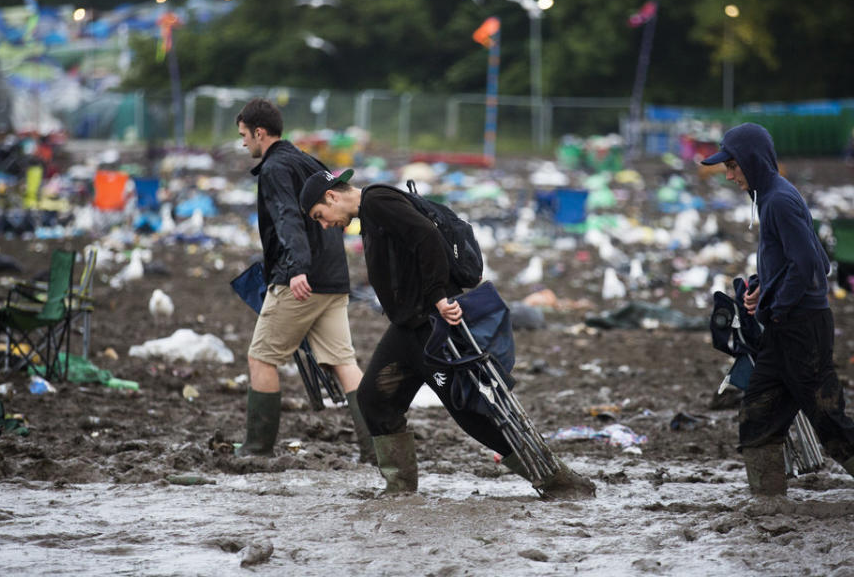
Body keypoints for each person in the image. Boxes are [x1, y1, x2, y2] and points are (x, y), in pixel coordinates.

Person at [298, 168, 595, 499]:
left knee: (473, 414)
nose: (325, 224)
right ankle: (399, 490)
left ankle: (558, 480)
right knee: (374, 399)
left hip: (431, 326)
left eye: (320, 216)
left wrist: (439, 296)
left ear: (332, 196)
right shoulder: (372, 212)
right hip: (407, 329)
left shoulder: (378, 200)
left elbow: (425, 236)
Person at [701, 122, 854, 501]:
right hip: (784, 327)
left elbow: (813, 267)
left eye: (733, 166)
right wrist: (761, 287)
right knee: (758, 415)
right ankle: (767, 504)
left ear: (752, 161)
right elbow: (803, 258)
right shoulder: (769, 197)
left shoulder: (779, 200)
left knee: (829, 418)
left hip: (801, 327)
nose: (730, 175)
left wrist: (778, 307)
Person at [235, 98, 372, 462]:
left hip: (302, 281)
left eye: (244, 136)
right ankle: (375, 448)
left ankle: (256, 449)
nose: (243, 143)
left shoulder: (275, 168)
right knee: (344, 362)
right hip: (334, 279)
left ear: (259, 132)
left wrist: (296, 268)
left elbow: (287, 219)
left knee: (261, 358)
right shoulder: (309, 161)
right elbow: (334, 216)